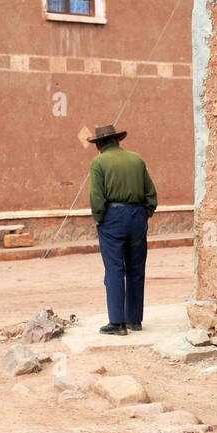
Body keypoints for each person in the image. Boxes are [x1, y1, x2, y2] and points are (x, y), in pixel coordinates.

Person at [87, 124, 157, 335]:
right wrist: (145, 213)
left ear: (99, 144)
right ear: (117, 140)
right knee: (136, 268)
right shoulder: (137, 159)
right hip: (137, 217)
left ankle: (117, 323)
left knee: (115, 269)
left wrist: (99, 219)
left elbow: (97, 197)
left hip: (112, 218)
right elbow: (151, 194)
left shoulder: (98, 162)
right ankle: (134, 320)